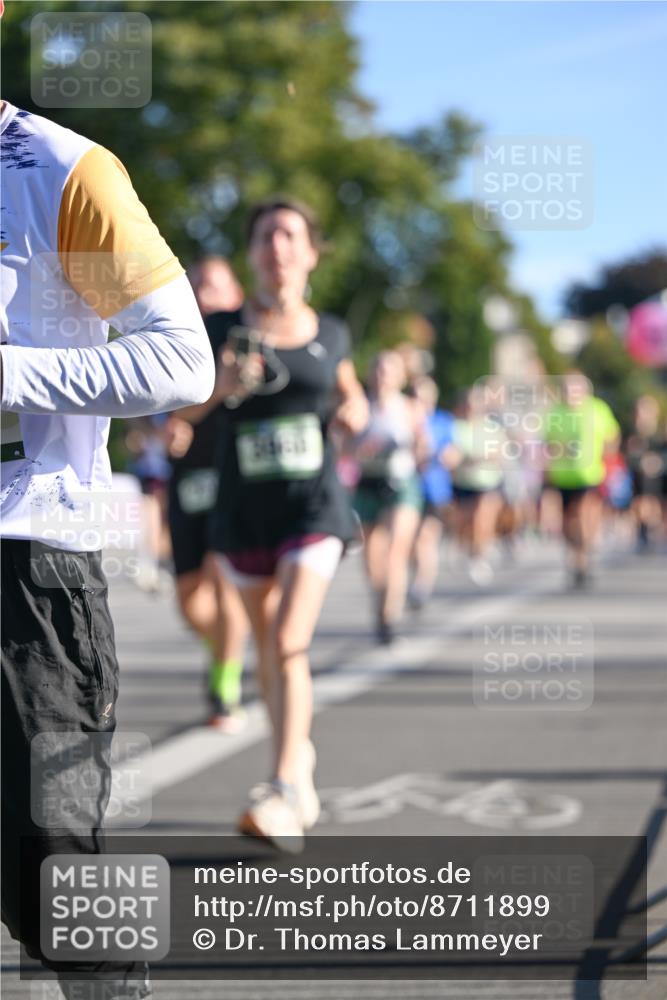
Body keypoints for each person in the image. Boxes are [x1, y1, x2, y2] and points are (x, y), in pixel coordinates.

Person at [0, 99, 214, 998]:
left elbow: (181, 361)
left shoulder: (61, 168)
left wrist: (9, 369)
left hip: (26, 559)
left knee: (53, 875)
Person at [180, 197, 368, 850]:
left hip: (312, 508)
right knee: (268, 651)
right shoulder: (221, 326)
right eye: (265, 236)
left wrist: (354, 414)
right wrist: (222, 385)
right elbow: (183, 413)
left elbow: (350, 394)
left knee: (289, 638)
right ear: (252, 254)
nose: (277, 246)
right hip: (243, 512)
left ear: (310, 252)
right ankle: (300, 761)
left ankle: (284, 785)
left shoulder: (332, 331)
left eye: (289, 234)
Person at [165, 257, 249, 728]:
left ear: (235, 294)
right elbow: (163, 409)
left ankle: (224, 688)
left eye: (214, 285)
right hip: (187, 478)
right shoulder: (175, 335)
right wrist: (159, 432)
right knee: (189, 599)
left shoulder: (245, 339)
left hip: (232, 475)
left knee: (224, 580)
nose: (204, 293)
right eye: (196, 285)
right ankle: (223, 645)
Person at [351, 350, 427, 642]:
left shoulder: (409, 408)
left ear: (400, 377)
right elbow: (344, 448)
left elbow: (424, 447)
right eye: (378, 370)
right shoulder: (360, 407)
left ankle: (388, 617)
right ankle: (381, 599)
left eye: (389, 371)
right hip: (369, 482)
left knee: (395, 551)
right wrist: (362, 448)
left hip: (402, 483)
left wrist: (417, 445)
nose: (383, 376)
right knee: (372, 558)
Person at [544, 371, 620, 588]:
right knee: (569, 523)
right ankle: (576, 558)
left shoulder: (597, 409)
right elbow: (549, 445)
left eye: (575, 389)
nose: (571, 394)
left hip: (590, 474)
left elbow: (612, 437)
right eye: (567, 389)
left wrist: (608, 459)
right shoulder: (555, 413)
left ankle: (584, 557)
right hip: (563, 477)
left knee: (584, 515)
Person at [447, 387, 506, 586]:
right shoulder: (456, 427)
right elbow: (449, 454)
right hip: (462, 482)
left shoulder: (491, 427)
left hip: (486, 482)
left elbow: (499, 453)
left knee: (482, 520)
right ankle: (467, 549)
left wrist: (477, 457)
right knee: (464, 523)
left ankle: (480, 556)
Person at [407, 375, 456, 611]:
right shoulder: (404, 419)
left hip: (434, 490)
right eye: (415, 396)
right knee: (408, 542)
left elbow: (453, 453)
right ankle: (413, 577)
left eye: (424, 397)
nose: (420, 402)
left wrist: (442, 455)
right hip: (406, 489)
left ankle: (421, 587)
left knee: (425, 539)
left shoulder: (443, 422)